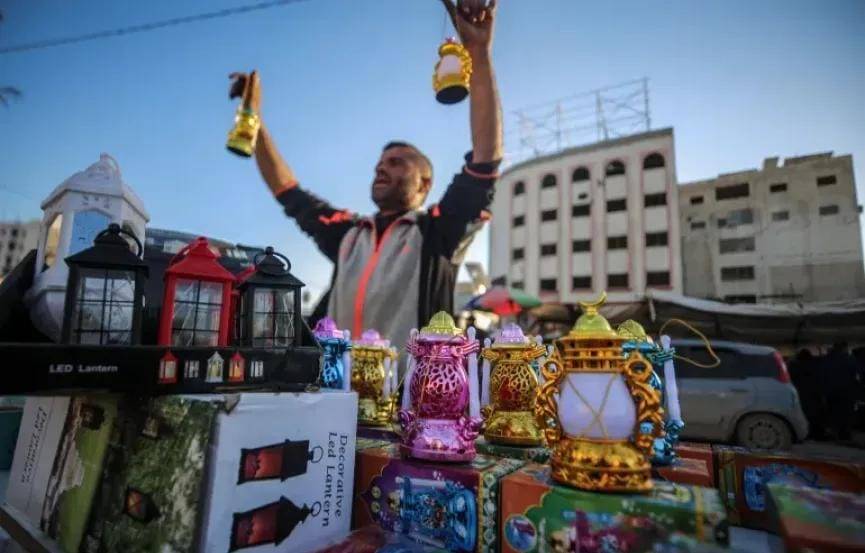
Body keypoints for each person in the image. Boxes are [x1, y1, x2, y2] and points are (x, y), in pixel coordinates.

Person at [230, 0, 502, 355]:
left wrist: (478, 54)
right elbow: (287, 190)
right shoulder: (348, 234)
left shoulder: (438, 232)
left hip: (408, 391)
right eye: (379, 163)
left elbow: (484, 163)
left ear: (424, 184)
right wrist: (253, 116)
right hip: (334, 387)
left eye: (397, 162)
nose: (380, 167)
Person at [823, 342, 860, 441]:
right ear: (844, 349)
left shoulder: (827, 359)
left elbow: (823, 375)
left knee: (834, 413)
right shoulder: (850, 360)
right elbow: (856, 376)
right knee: (846, 414)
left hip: (832, 392)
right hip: (847, 392)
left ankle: (835, 433)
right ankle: (845, 434)